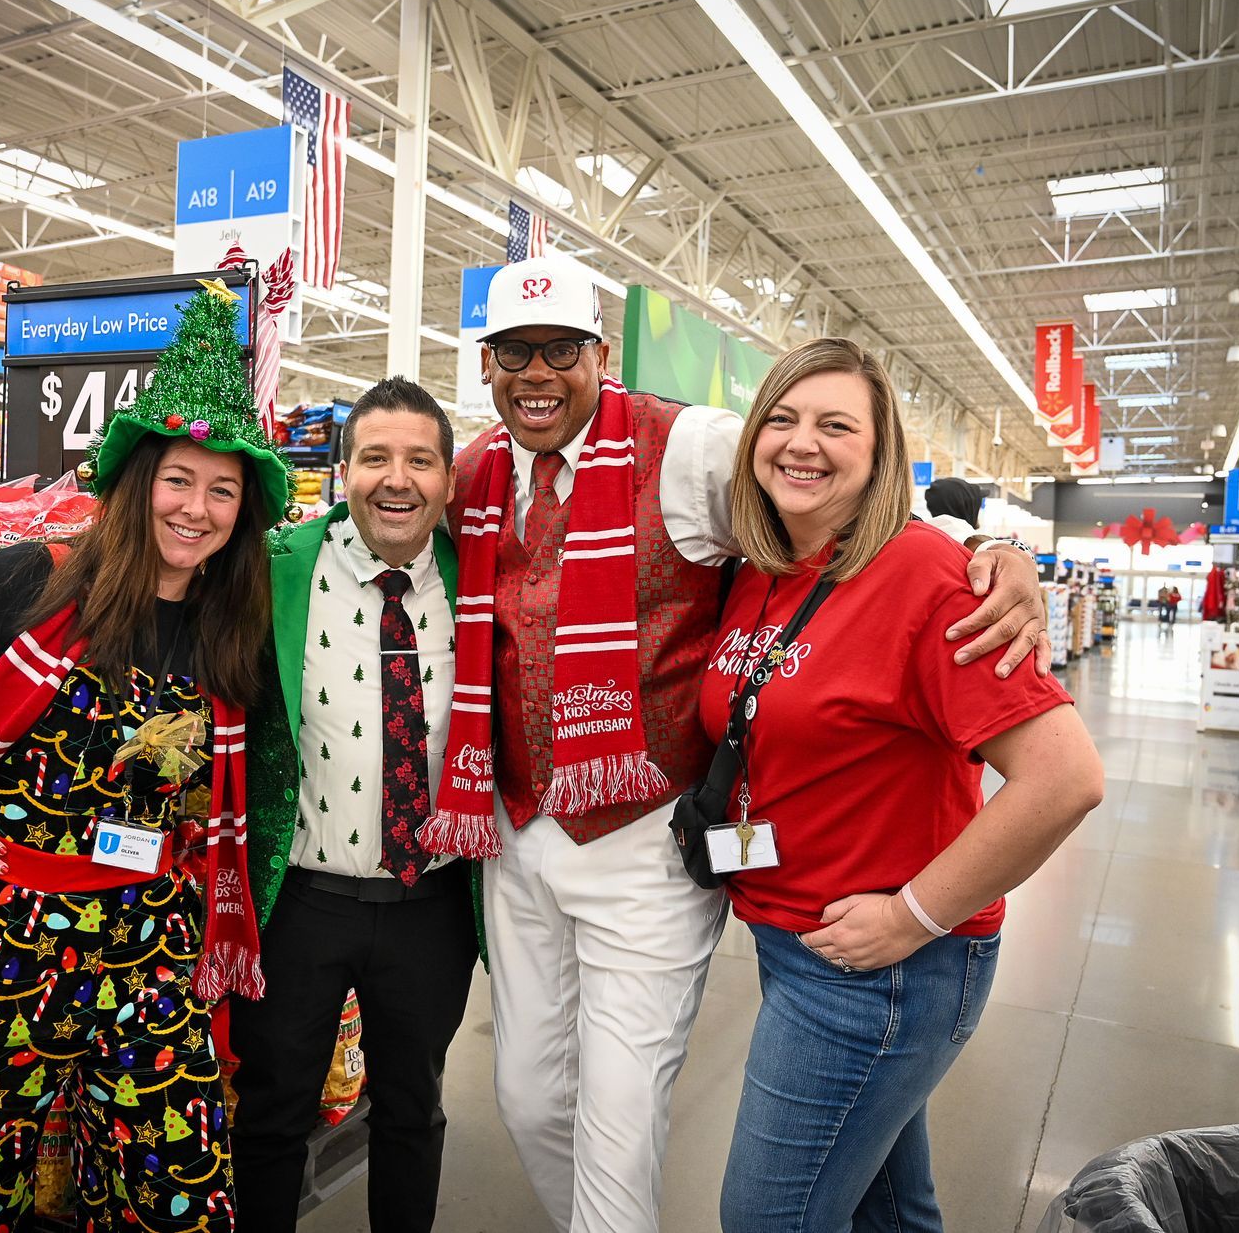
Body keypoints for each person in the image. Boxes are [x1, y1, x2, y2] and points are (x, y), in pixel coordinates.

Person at [418, 256, 1052, 1233]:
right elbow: (372, 534)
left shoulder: (690, 449)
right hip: (518, 831)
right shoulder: (475, 475)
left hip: (648, 839)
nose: (535, 373)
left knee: (622, 1120)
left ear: (598, 354)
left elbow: (838, 505)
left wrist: (987, 556)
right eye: (512, 353)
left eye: (559, 351)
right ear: (489, 364)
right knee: (532, 1100)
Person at [0, 286, 284, 1232]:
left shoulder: (232, 633)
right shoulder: (24, 581)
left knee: (181, 1196)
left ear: (245, 508)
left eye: (223, 488)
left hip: (147, 941)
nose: (197, 509)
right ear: (134, 478)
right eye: (179, 479)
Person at [700, 337, 1104, 1232]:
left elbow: (1065, 777)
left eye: (837, 425)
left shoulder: (926, 576)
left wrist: (911, 914)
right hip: (796, 942)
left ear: (881, 457)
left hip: (880, 972)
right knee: (890, 1212)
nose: (803, 443)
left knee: (768, 1217)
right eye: (784, 418)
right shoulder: (756, 568)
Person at [232, 377, 481, 1232]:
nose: (396, 478)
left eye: (419, 459)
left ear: (449, 479)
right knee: (272, 1111)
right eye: (375, 457)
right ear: (344, 471)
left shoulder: (478, 576)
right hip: (301, 900)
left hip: (434, 903)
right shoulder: (275, 564)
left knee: (413, 1108)